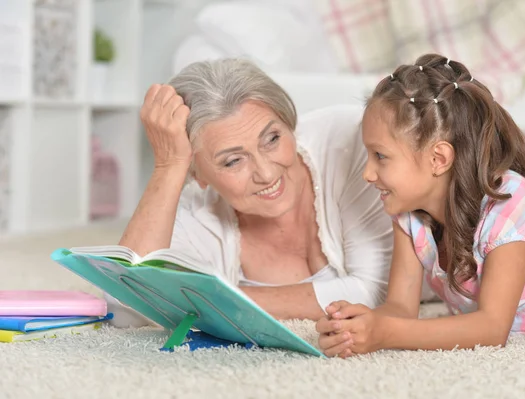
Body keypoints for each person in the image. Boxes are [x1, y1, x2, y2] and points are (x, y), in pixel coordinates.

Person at [316, 54, 525, 358]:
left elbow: (492, 328)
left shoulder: (512, 202)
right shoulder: (409, 213)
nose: (367, 174)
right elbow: (401, 308)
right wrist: (360, 323)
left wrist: (384, 333)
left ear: (438, 159)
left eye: (380, 156)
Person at [108, 58, 406, 327]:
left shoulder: (352, 141)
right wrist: (168, 166)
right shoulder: (198, 211)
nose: (265, 173)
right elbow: (126, 307)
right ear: (197, 174)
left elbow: (375, 290)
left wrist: (215, 301)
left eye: (272, 139)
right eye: (233, 161)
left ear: (289, 124)